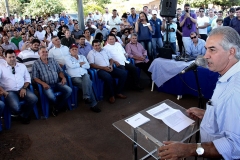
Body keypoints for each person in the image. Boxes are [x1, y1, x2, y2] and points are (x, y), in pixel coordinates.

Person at [159, 26, 240, 160]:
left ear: (231, 52)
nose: (205, 55)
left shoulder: (234, 91)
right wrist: (208, 114)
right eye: (206, 49)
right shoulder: (229, 75)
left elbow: (234, 146)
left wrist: (189, 149)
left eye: (212, 49)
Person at [0, 49, 38, 124]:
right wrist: (3, 91)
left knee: (34, 99)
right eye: (9, 57)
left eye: (13, 57)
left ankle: (23, 115)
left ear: (16, 56)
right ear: (5, 58)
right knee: (16, 107)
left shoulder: (22, 66)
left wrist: (24, 88)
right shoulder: (1, 67)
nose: (12, 59)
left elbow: (27, 79)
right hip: (9, 91)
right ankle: (22, 114)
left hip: (22, 88)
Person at [32, 46, 72, 117]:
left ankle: (57, 107)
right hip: (47, 85)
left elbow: (60, 71)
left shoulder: (52, 60)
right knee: (51, 96)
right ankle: (60, 106)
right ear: (39, 53)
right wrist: (43, 83)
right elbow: (35, 77)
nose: (45, 53)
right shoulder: (36, 64)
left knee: (69, 90)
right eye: (43, 52)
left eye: (46, 52)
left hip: (57, 82)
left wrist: (63, 77)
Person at [87, 39, 127, 104]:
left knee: (123, 73)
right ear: (93, 46)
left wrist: (111, 65)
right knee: (108, 77)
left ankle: (118, 92)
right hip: (100, 70)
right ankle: (111, 95)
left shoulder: (105, 50)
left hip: (109, 67)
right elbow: (91, 65)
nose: (97, 47)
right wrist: (103, 68)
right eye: (95, 46)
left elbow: (111, 59)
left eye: (99, 45)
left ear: (101, 45)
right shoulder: (91, 53)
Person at [65, 44, 100, 113]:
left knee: (86, 77)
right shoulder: (67, 58)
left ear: (78, 50)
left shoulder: (82, 57)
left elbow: (88, 66)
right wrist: (80, 64)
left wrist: (78, 65)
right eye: (73, 49)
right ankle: (92, 104)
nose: (74, 50)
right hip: (75, 77)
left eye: (76, 49)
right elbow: (71, 66)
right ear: (70, 51)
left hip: (84, 75)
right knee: (88, 84)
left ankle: (87, 98)